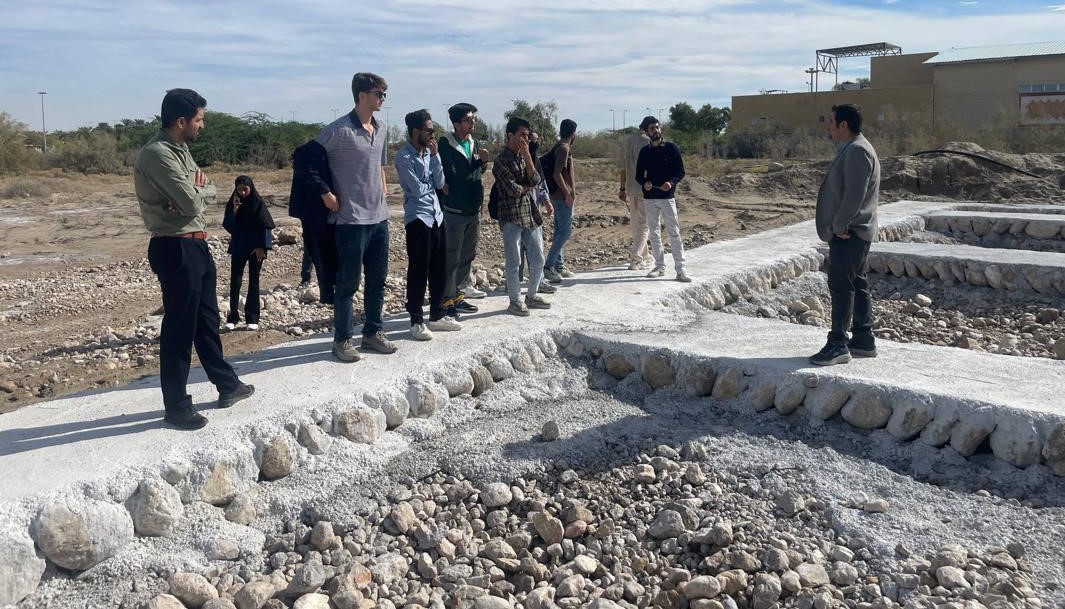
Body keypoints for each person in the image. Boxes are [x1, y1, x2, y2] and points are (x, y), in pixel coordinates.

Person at [133, 88, 253, 430]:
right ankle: (176, 407)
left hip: (196, 245)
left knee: (205, 321)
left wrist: (197, 191)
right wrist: (194, 193)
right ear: (182, 120)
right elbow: (190, 202)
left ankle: (227, 384)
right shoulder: (157, 154)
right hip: (174, 248)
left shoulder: (181, 150)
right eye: (199, 119)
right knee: (179, 329)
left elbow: (208, 189)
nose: (202, 125)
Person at [316, 72, 395, 361]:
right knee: (348, 284)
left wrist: (382, 191)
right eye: (378, 94)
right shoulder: (337, 131)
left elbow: (380, 166)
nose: (383, 99)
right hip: (350, 221)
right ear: (362, 95)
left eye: (384, 94)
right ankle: (342, 340)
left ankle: (373, 332)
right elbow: (305, 161)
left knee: (377, 280)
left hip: (379, 219)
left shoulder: (382, 128)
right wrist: (326, 193)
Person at [809, 103, 881, 366]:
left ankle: (838, 344)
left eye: (831, 121)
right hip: (855, 230)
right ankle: (863, 339)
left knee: (841, 285)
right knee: (856, 282)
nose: (828, 126)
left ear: (843, 124)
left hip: (849, 232)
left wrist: (839, 225)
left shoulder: (857, 150)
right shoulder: (855, 147)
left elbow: (855, 193)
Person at [396, 109, 462, 340]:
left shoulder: (430, 154)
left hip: (436, 215)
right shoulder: (404, 157)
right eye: (429, 131)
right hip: (418, 218)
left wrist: (435, 158)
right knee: (418, 269)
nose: (433, 135)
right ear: (416, 132)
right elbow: (416, 189)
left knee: (439, 267)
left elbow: (441, 182)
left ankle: (437, 314)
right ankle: (416, 320)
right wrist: (431, 184)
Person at [493, 116, 553, 316]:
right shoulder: (501, 161)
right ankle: (514, 300)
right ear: (510, 135)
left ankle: (532, 295)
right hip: (511, 215)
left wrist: (527, 156)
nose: (525, 139)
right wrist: (527, 187)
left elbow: (536, 180)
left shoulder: (524, 156)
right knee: (514, 262)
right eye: (522, 135)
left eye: (527, 135)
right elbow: (512, 189)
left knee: (538, 259)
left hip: (529, 213)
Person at [438, 103, 491, 318]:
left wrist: (482, 164)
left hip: (473, 208)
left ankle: (458, 294)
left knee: (467, 254)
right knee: (451, 255)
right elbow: (453, 176)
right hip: (455, 209)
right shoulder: (445, 143)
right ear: (457, 124)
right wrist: (479, 162)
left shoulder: (473, 142)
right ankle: (446, 299)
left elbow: (476, 172)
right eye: (468, 120)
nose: (472, 123)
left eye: (473, 119)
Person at [635, 116, 691, 283]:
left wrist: (671, 183)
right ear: (646, 132)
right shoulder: (644, 152)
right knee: (654, 233)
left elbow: (680, 172)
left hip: (667, 198)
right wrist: (645, 183)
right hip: (650, 198)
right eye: (652, 128)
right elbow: (639, 175)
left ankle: (681, 270)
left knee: (674, 233)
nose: (656, 130)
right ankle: (659, 266)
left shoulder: (671, 148)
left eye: (657, 127)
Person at [289, 139, 339, 305]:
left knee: (320, 252)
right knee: (315, 251)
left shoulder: (323, 150)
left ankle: (330, 292)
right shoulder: (307, 152)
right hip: (314, 211)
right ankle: (326, 293)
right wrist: (325, 193)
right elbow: (306, 170)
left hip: (328, 211)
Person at [223, 175, 275, 331]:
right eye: (239, 189)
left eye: (245, 189)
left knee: (254, 281)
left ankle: (252, 318)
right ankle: (233, 317)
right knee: (235, 282)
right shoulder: (233, 204)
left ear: (251, 188)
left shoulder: (258, 203)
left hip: (255, 249)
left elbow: (265, 225)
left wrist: (261, 247)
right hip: (238, 247)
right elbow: (229, 226)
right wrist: (234, 211)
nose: (243, 192)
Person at [542, 119, 577, 283]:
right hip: (562, 197)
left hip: (557, 196)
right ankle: (548, 266)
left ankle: (559, 265)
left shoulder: (559, 147)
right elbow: (557, 174)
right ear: (573, 133)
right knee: (565, 232)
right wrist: (568, 193)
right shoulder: (563, 149)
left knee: (559, 232)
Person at [616, 128, 652, 269]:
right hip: (645, 188)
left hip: (631, 188)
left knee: (636, 224)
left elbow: (623, 168)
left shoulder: (628, 141)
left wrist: (622, 188)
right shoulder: (647, 141)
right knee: (644, 225)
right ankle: (636, 258)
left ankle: (645, 256)